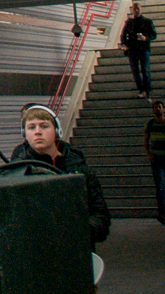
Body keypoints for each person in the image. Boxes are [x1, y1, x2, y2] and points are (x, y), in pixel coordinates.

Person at [12, 104, 112, 247]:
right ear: (24, 134)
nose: (37, 132)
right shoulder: (17, 172)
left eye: (44, 126)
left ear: (57, 131)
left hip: (76, 251)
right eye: (31, 127)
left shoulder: (79, 168)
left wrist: (77, 231)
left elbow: (101, 216)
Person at [121, 1, 158, 96]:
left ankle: (147, 90)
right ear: (133, 11)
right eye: (135, 9)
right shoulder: (129, 22)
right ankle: (141, 90)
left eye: (138, 9)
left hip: (143, 49)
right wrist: (124, 45)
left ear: (141, 10)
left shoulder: (147, 22)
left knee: (145, 70)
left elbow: (154, 35)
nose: (136, 11)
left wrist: (145, 38)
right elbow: (123, 35)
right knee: (135, 71)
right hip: (132, 49)